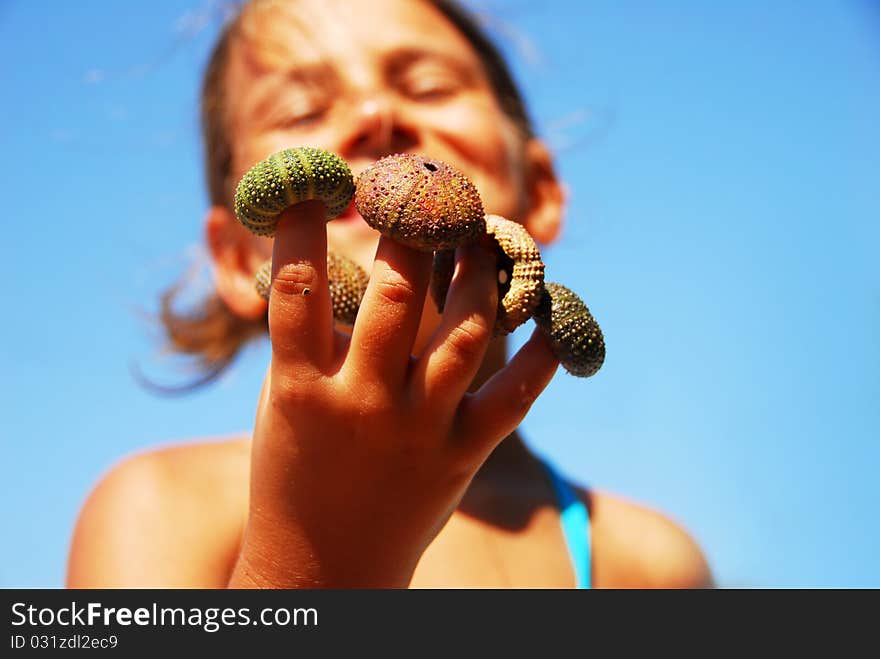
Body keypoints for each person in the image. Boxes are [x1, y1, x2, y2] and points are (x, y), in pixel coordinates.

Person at [66, 0, 713, 588]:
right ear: (237, 259)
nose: (377, 117)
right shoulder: (161, 506)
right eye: (302, 111)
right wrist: (321, 550)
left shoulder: (646, 560)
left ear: (540, 191)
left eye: (429, 87)